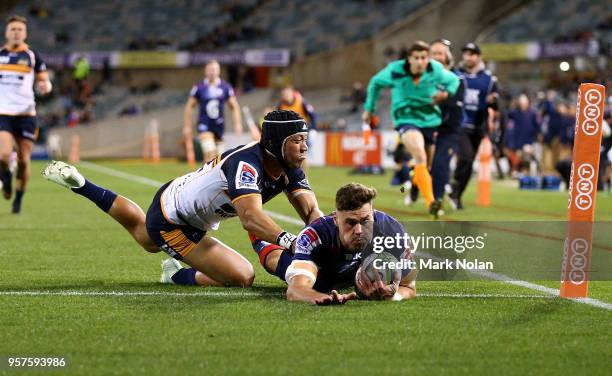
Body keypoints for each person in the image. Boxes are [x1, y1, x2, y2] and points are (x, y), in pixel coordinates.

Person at [43, 110, 323, 288]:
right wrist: (291, 241)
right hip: (173, 220)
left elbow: (311, 209)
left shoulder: (289, 167)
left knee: (144, 236)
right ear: (276, 142)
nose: (304, 146)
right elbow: (250, 218)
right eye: (297, 139)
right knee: (242, 276)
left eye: (304, 138)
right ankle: (175, 276)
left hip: (179, 199)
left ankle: (82, 184)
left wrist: (325, 239)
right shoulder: (246, 163)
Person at [221, 183, 416, 305]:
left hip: (347, 270)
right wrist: (319, 297)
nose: (358, 230)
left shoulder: (392, 231)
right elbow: (295, 290)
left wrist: (392, 296)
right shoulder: (316, 234)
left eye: (365, 221)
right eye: (350, 223)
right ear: (335, 220)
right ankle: (257, 233)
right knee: (277, 262)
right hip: (321, 269)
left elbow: (409, 287)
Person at [363, 41, 459, 218]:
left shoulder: (435, 69)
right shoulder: (396, 70)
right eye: (416, 58)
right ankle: (433, 204)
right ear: (409, 59)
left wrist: (445, 94)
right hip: (406, 119)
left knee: (425, 166)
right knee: (420, 156)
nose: (421, 62)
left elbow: (453, 80)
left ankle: (415, 188)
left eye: (424, 57)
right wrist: (369, 108)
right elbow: (375, 82)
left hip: (430, 121)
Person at [0, 15, 52, 214]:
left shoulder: (32, 56)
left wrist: (45, 86)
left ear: (25, 33)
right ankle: (5, 178)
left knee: (24, 161)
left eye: (20, 29)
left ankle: (18, 199)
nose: (16, 32)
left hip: (26, 114)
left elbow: (44, 80)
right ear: (6, 32)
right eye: (12, 29)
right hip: (3, 112)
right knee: (4, 155)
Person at [449, 43, 499, 210]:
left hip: (478, 125)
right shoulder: (456, 75)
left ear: (478, 56)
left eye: (472, 54)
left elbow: (496, 105)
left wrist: (493, 102)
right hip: (461, 123)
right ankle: (453, 184)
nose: (468, 57)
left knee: (469, 163)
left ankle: (456, 194)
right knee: (466, 156)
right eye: (465, 53)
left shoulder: (489, 79)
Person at [429, 39, 465, 216]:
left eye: (440, 53)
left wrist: (436, 100)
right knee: (423, 164)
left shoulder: (457, 78)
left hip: (448, 130)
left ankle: (437, 200)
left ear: (448, 56)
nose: (436, 56)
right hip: (427, 128)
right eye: (433, 53)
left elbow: (453, 104)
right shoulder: (424, 78)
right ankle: (415, 193)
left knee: (440, 163)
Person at [183, 60, 242, 163]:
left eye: (214, 69)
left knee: (218, 160)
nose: (212, 72)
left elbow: (234, 106)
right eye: (210, 70)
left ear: (218, 71)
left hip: (219, 125)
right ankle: (203, 177)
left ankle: (205, 174)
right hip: (204, 124)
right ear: (205, 71)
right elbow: (189, 107)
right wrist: (187, 126)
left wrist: (237, 123)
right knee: (210, 152)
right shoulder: (199, 87)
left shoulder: (225, 87)